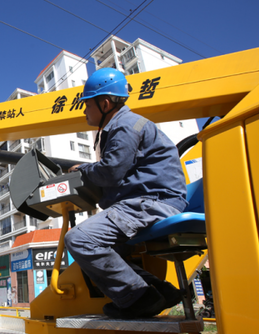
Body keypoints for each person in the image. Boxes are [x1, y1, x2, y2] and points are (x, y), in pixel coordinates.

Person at [64, 68, 187, 319]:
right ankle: (160, 290)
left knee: (78, 239)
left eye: (87, 104)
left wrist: (83, 170)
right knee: (114, 251)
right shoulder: (126, 125)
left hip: (153, 202)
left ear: (105, 103)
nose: (84, 110)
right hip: (153, 199)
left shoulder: (125, 126)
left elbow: (110, 172)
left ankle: (138, 299)